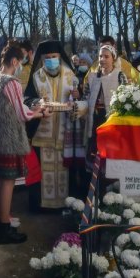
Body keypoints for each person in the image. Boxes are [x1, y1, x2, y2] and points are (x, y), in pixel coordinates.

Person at [0, 45, 45, 242]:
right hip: (10, 138)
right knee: (8, 183)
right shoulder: (11, 82)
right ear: (14, 61)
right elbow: (22, 113)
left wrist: (31, 109)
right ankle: (4, 227)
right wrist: (39, 112)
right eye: (20, 62)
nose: (20, 66)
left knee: (0, 181)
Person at [24, 40, 87, 211]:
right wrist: (37, 102)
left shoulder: (71, 75)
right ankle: (40, 206)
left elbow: (81, 103)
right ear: (42, 59)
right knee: (42, 173)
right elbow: (27, 100)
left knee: (66, 171)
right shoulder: (37, 77)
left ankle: (66, 205)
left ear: (60, 57)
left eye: (54, 57)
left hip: (64, 132)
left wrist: (78, 94)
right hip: (42, 134)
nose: (51, 60)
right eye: (47, 58)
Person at [83, 43, 125, 169]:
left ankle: (108, 183)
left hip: (111, 121)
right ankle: (94, 184)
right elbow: (86, 97)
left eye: (106, 57)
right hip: (94, 121)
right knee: (94, 152)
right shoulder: (92, 77)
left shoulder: (120, 76)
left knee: (109, 156)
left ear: (113, 58)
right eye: (100, 56)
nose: (102, 60)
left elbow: (125, 99)